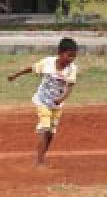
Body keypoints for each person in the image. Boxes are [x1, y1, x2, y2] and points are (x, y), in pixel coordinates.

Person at [8, 37, 80, 168]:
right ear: (60, 53)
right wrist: (15, 75)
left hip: (57, 105)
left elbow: (70, 86)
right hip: (42, 101)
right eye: (69, 55)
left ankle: (42, 156)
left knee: (51, 133)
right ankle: (39, 162)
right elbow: (31, 68)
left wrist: (61, 99)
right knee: (45, 129)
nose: (71, 59)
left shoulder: (72, 69)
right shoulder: (48, 63)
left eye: (74, 56)